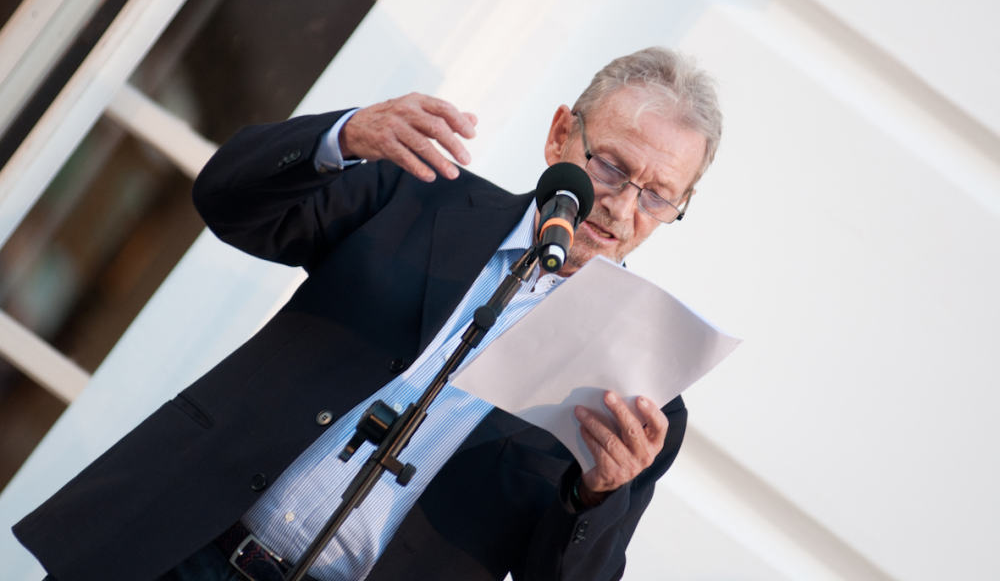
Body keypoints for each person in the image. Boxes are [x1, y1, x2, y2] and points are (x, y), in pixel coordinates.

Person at [15, 47, 722, 581]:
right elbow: (226, 201)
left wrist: (598, 498)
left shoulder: (641, 389)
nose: (624, 209)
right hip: (179, 544)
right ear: (561, 134)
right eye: (612, 168)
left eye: (659, 196)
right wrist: (342, 138)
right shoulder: (417, 193)